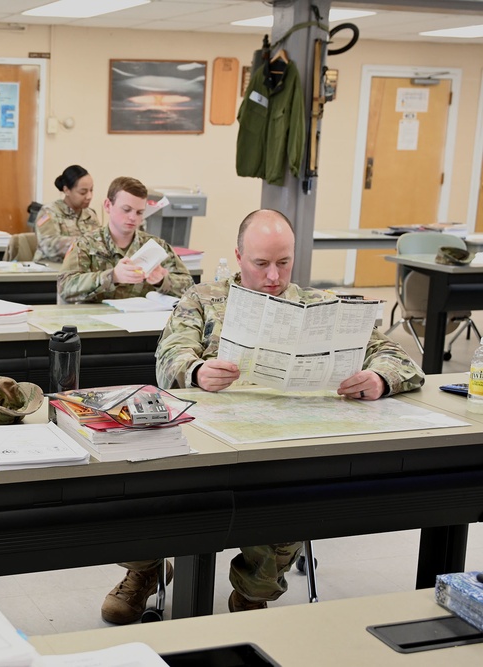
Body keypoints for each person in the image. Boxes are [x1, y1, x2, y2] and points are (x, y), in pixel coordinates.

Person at [100, 209, 425, 625]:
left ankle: (253, 592)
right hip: (206, 439)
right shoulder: (203, 298)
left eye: (284, 263)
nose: (274, 276)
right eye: (261, 264)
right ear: (238, 256)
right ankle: (145, 571)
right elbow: (169, 357)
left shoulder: (321, 305)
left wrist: (380, 378)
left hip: (283, 443)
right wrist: (197, 371)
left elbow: (396, 357)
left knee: (293, 496)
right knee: (142, 482)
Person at [58, 176, 193, 304]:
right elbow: (65, 287)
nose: (133, 217)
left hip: (142, 323)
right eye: (126, 210)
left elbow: (190, 288)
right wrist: (112, 276)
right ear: (108, 205)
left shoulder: (156, 247)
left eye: (139, 212)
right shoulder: (86, 245)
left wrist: (162, 280)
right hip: (95, 322)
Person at [34, 165, 100, 263]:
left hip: (81, 270)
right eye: (83, 192)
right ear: (66, 190)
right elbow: (48, 245)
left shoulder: (90, 214)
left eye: (91, 190)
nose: (89, 196)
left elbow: (99, 242)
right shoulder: (49, 212)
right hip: (52, 269)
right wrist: (83, 243)